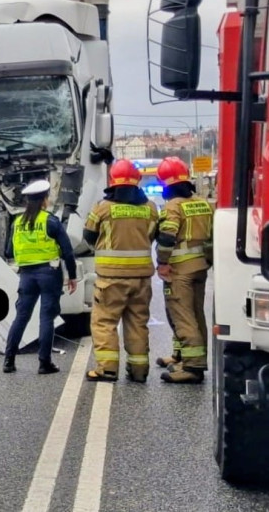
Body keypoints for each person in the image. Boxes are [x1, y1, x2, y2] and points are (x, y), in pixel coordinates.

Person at [82, 159, 160, 382]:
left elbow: (89, 235)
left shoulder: (102, 207)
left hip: (111, 278)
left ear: (113, 181)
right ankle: (138, 370)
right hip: (141, 278)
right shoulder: (150, 208)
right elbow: (154, 236)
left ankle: (107, 369)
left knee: (104, 322)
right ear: (137, 181)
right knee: (137, 323)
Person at [3, 179, 78, 374]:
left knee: (21, 317)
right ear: (44, 200)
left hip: (26, 275)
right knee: (46, 318)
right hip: (49, 274)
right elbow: (68, 251)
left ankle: (9, 361)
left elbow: (9, 251)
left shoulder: (18, 222)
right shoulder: (50, 221)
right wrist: (72, 276)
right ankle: (44, 363)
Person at [152, 157, 214, 384]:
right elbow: (211, 238)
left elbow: (167, 237)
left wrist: (162, 262)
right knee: (196, 315)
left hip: (180, 270)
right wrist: (207, 261)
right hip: (200, 267)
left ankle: (192, 366)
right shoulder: (204, 204)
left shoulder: (173, 206)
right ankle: (184, 357)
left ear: (166, 184)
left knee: (183, 316)